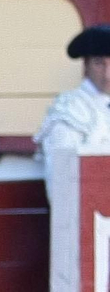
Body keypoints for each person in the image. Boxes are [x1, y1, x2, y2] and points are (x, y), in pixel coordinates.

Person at [36, 24, 110, 192]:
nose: (108, 74)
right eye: (99, 63)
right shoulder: (71, 109)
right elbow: (61, 180)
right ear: (86, 65)